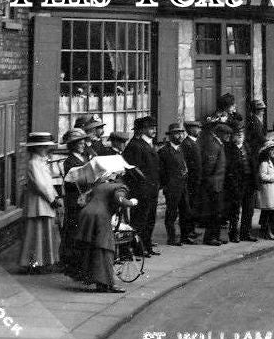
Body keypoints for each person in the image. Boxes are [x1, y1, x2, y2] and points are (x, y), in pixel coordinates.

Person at [70, 171, 137, 294]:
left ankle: (95, 279)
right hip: (99, 217)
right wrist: (131, 202)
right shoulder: (120, 187)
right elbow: (120, 199)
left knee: (92, 247)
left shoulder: (100, 185)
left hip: (86, 215)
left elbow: (85, 200)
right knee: (105, 248)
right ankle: (107, 283)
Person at [18, 132, 61, 274]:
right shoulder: (33, 163)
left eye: (46, 146)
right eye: (43, 147)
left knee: (44, 234)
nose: (46, 149)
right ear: (36, 148)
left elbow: (48, 184)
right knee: (35, 234)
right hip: (37, 202)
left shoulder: (41, 162)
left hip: (43, 202)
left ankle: (42, 263)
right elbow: (40, 185)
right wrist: (52, 199)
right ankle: (33, 264)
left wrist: (54, 196)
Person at [122, 116, 160, 256]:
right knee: (140, 220)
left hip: (151, 189)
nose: (154, 130)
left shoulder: (148, 144)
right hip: (142, 190)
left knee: (150, 219)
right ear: (142, 130)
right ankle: (138, 248)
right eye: (150, 128)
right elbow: (132, 170)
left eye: (154, 127)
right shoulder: (135, 145)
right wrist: (142, 185)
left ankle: (147, 246)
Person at [60, 127, 89, 275]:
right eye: (79, 142)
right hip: (75, 200)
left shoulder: (84, 158)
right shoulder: (70, 161)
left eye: (83, 141)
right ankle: (72, 265)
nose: (83, 144)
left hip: (85, 197)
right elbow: (71, 182)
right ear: (72, 145)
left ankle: (82, 264)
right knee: (74, 232)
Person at [157, 122, 190, 246]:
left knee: (185, 211)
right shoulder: (164, 151)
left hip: (182, 186)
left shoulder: (181, 149)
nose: (180, 136)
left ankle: (184, 236)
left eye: (181, 133)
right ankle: (172, 238)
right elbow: (161, 171)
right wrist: (167, 185)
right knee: (171, 213)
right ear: (170, 135)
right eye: (177, 133)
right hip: (172, 187)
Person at [197, 122, 229, 245]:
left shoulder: (218, 144)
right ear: (220, 134)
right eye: (226, 134)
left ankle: (215, 236)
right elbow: (209, 166)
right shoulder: (214, 145)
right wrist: (211, 183)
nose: (228, 137)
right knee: (213, 213)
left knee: (217, 213)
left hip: (218, 184)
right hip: (213, 185)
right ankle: (210, 238)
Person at [223, 125, 249, 243]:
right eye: (238, 135)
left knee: (248, 210)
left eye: (242, 135)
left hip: (248, 182)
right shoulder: (229, 149)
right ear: (233, 137)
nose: (240, 137)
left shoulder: (246, 147)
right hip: (235, 184)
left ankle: (246, 233)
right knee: (235, 211)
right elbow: (228, 169)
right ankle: (234, 234)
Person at [179, 120, 202, 245]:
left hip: (196, 181)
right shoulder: (186, 144)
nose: (199, 130)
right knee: (187, 209)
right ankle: (187, 233)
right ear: (190, 129)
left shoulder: (195, 142)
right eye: (197, 128)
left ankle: (191, 230)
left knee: (193, 207)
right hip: (190, 181)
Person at [257, 140, 274, 240]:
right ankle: (267, 232)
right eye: (272, 150)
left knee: (267, 212)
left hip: (271, 190)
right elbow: (262, 176)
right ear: (267, 152)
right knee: (268, 212)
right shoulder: (264, 163)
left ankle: (265, 231)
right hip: (267, 190)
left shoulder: (269, 161)